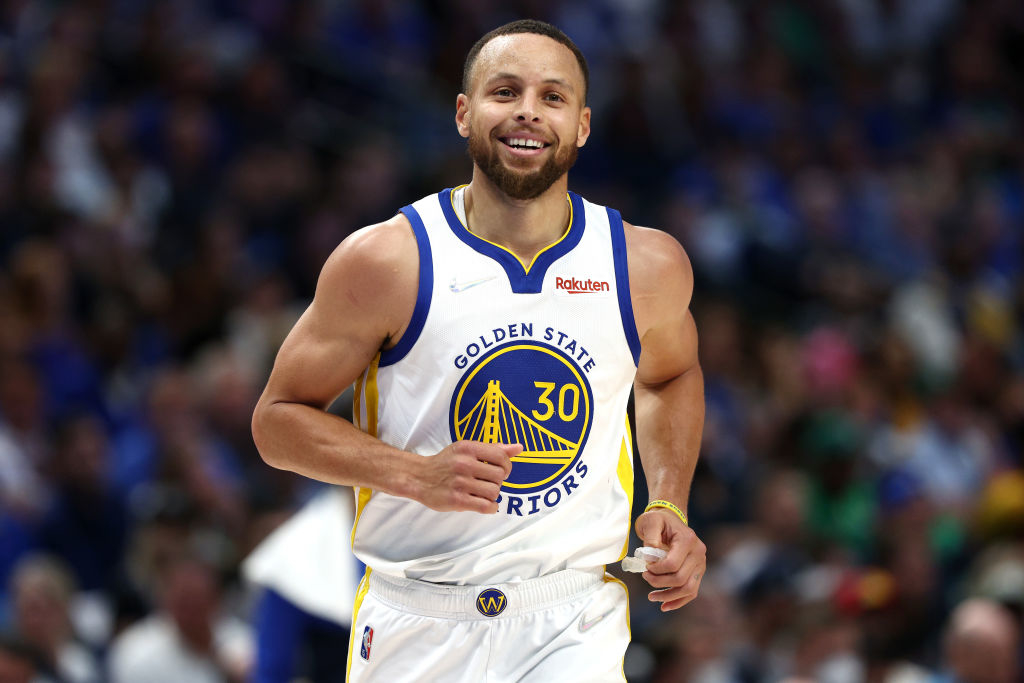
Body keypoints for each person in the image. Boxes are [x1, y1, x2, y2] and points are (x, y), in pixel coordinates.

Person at [252, 19, 706, 682]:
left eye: (552, 97)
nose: (528, 109)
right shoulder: (386, 260)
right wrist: (415, 474)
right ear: (464, 114)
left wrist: (667, 501)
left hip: (569, 618)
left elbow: (670, 375)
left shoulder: (644, 264)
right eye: (505, 91)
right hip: (416, 618)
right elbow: (275, 422)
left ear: (581, 125)